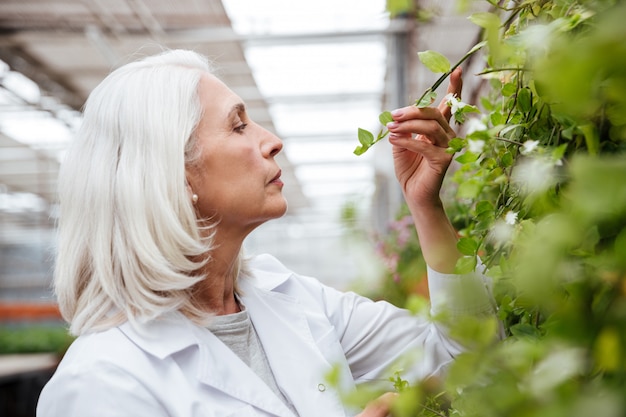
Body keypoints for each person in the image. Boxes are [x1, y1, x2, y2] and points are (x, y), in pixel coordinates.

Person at [37, 49, 497, 417]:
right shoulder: (101, 384)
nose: (273, 140)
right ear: (175, 175)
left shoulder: (288, 298)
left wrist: (425, 205)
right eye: (238, 125)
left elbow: (469, 356)